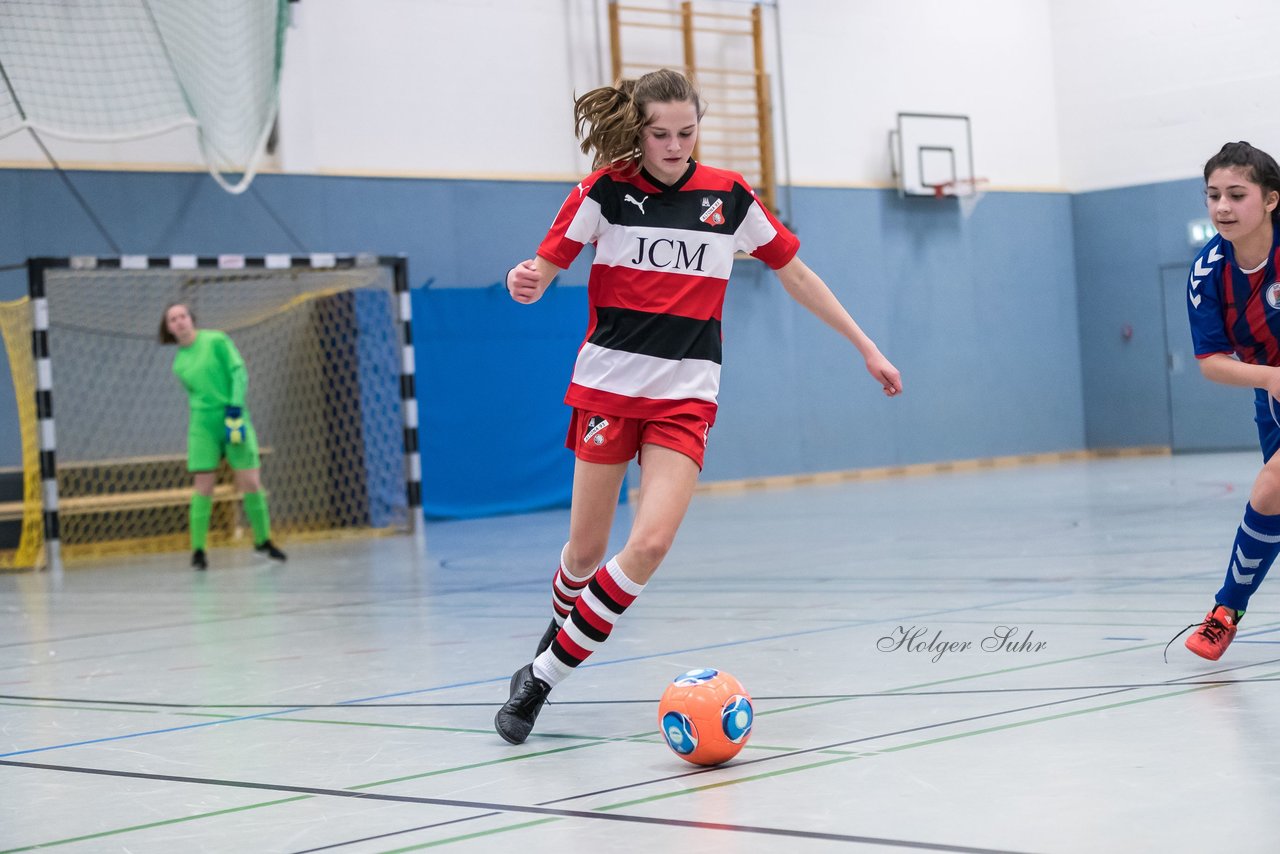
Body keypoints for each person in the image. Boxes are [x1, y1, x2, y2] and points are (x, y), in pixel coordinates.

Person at [494, 68, 902, 744]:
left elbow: (794, 272)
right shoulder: (605, 191)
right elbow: (544, 266)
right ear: (639, 129)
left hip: (685, 395)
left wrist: (865, 345)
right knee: (586, 551)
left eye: (687, 132)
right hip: (607, 388)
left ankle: (540, 678)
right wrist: (525, 280)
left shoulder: (730, 198)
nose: (675, 145)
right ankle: (557, 631)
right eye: (661, 134)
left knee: (649, 544)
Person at [1177, 141, 1280, 660]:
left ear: (1270, 200)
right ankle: (1226, 613)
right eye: (1213, 195)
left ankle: (1224, 613)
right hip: (1273, 394)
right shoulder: (1207, 272)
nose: (1222, 206)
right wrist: (1272, 379)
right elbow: (1212, 361)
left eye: (1237, 194)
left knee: (1271, 487)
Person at [159, 303, 286, 570]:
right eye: (173, 319)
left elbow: (238, 371)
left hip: (233, 416)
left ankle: (263, 541)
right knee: (203, 484)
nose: (180, 321)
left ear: (191, 319)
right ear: (168, 328)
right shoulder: (179, 364)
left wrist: (235, 405)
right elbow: (195, 394)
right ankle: (198, 551)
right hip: (203, 426)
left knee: (250, 481)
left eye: (183, 316)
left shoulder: (216, 340)